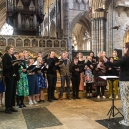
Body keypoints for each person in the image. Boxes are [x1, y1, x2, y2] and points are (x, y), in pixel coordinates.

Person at [113, 42, 129, 126]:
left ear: (126, 49)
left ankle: (127, 121)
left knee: (125, 101)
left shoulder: (125, 58)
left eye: (124, 47)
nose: (123, 49)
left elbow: (116, 64)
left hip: (125, 81)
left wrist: (110, 60)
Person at [2, 45, 19, 113]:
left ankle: (11, 106)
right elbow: (5, 68)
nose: (12, 50)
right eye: (11, 49)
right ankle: (7, 107)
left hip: (14, 76)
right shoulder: (5, 57)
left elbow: (16, 67)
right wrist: (12, 65)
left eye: (13, 49)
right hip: (9, 76)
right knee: (9, 92)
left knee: (13, 91)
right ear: (8, 50)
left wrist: (18, 64)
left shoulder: (13, 57)